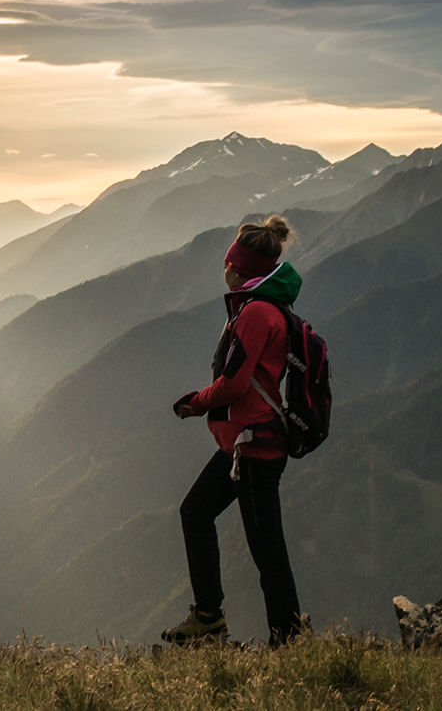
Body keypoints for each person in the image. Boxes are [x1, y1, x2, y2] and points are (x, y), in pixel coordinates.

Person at [163, 214, 305, 647]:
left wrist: (196, 403)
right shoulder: (259, 306)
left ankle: (288, 640)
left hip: (254, 448)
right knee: (196, 512)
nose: (223, 268)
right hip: (242, 445)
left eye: (228, 261)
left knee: (266, 549)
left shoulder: (256, 313)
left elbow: (235, 384)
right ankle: (209, 617)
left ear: (238, 267)